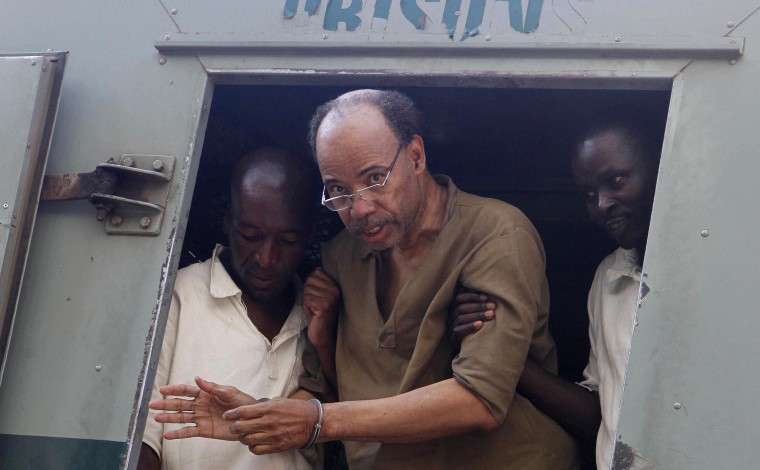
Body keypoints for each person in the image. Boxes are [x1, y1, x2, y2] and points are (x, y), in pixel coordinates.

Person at [151, 89, 579, 469]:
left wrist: (316, 423)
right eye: (337, 189)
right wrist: (259, 418)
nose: (359, 209)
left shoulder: (496, 234)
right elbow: (319, 391)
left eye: (375, 179)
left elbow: (480, 400)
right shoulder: (341, 256)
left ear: (416, 156)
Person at [453, 106, 663, 469]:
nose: (602, 205)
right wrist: (503, 355)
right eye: (587, 194)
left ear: (661, 166)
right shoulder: (609, 276)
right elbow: (603, 417)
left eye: (616, 181)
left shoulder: (713, 270)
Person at [138, 147, 325, 470]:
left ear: (309, 235)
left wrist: (326, 333)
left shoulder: (321, 310)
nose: (267, 258)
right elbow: (143, 436)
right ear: (228, 222)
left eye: (288, 241)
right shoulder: (179, 295)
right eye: (251, 235)